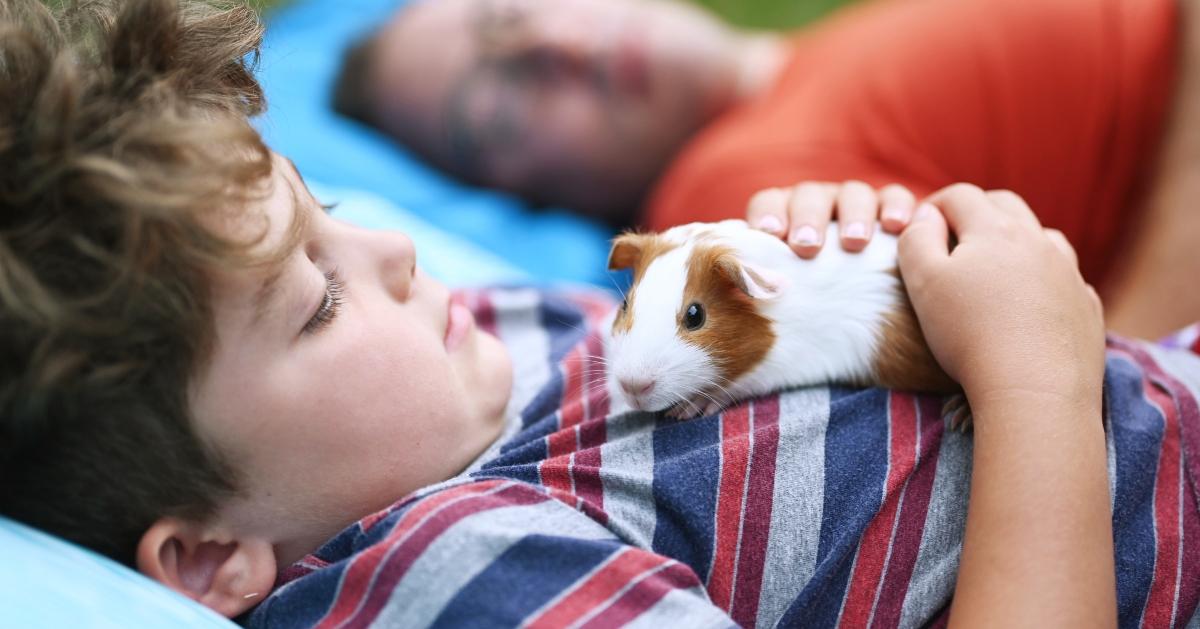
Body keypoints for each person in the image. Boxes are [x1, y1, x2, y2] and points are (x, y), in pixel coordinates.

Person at [1, 1, 1197, 627]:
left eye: (336, 206)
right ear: (210, 557)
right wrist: (1037, 378)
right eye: (317, 300)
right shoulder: (452, 575)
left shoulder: (465, 364)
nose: (398, 249)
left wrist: (844, 269)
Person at [333, 0, 1200, 341]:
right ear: (516, 197)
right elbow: (1082, 374)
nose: (560, 47)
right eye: (500, 110)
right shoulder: (739, 199)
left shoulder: (805, 69)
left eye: (515, 14)